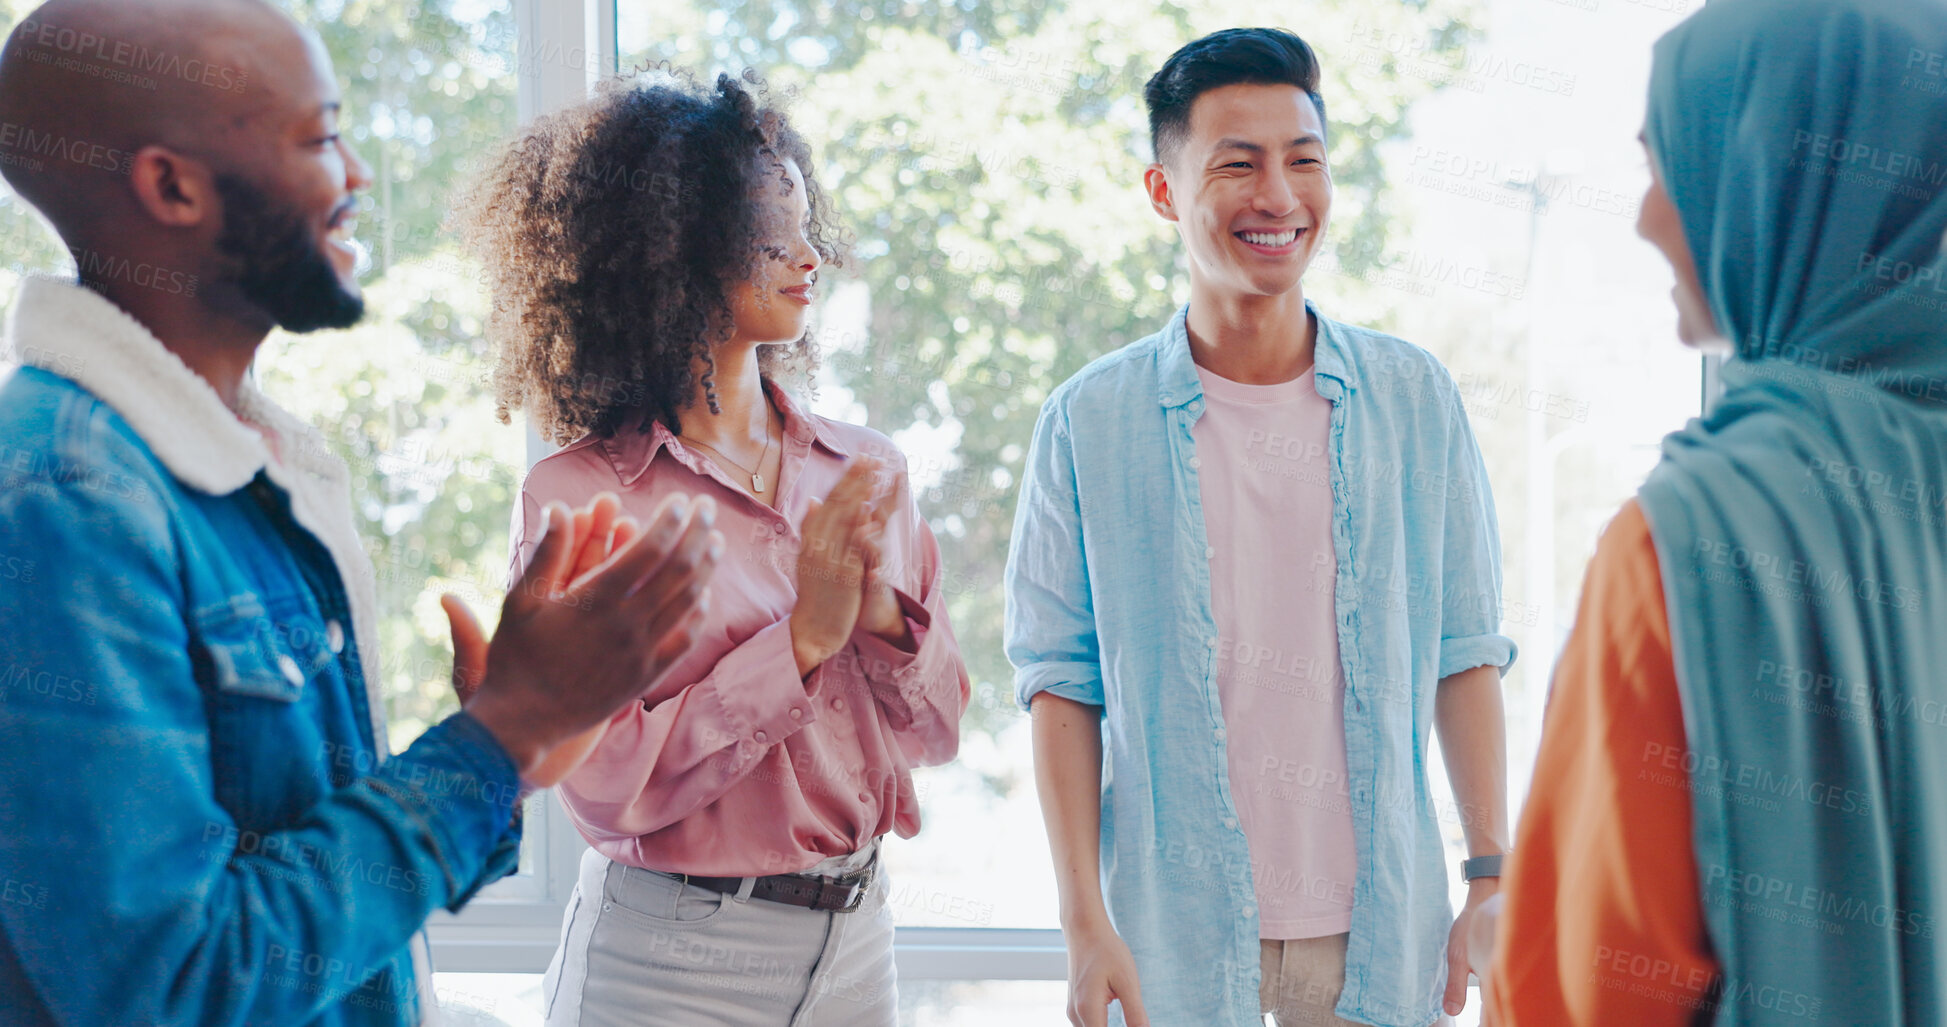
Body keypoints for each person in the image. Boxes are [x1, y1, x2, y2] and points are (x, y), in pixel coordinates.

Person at [0, 1, 722, 1023]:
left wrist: (505, 745)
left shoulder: (250, 462)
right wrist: (503, 734)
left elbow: (291, 868)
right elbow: (171, 988)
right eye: (322, 137)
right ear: (171, 185)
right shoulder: (64, 499)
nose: (360, 179)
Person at [1005, 27, 1516, 1027]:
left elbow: (1466, 651)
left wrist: (1491, 874)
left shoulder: (1413, 399)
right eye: (1237, 165)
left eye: (1304, 161)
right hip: (1172, 940)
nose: (1278, 196)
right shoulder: (1088, 421)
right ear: (1163, 191)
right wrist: (1083, 923)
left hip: (1377, 932)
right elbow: (1061, 686)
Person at [458, 69, 971, 1027]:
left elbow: (938, 730)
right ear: (674, 251)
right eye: (771, 226)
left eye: (807, 220)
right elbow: (605, 787)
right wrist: (802, 644)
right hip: (666, 969)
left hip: (858, 946)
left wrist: (880, 621)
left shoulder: (867, 471)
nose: (809, 254)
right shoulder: (579, 498)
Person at [1479, 0, 1947, 1023]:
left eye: (1672, 167)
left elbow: (1592, 992)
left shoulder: (1699, 538)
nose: (1647, 216)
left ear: (1788, 184)